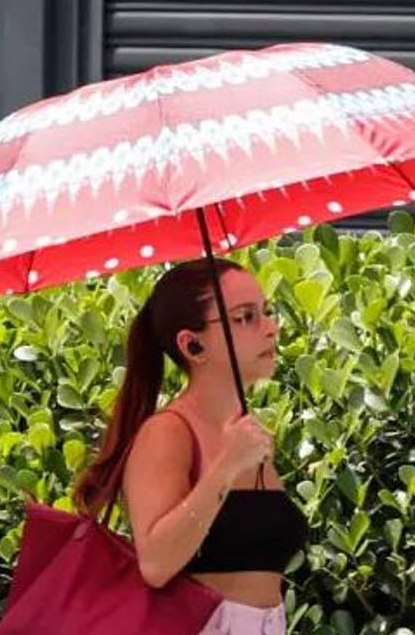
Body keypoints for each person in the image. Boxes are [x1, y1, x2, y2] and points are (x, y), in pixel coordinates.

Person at [73, 257, 308, 635]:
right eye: (246, 317)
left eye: (267, 311)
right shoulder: (168, 433)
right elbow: (156, 564)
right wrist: (225, 468)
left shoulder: (247, 437)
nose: (270, 328)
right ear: (193, 345)